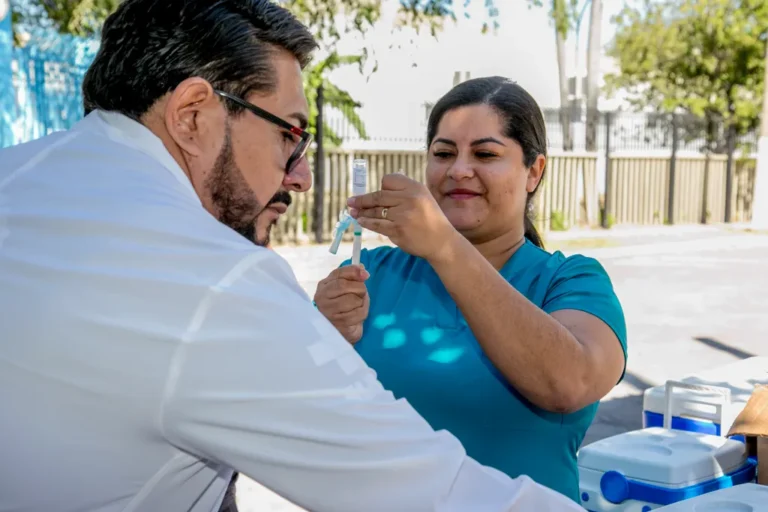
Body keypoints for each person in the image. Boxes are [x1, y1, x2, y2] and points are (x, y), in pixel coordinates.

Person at [0, 1, 586, 511]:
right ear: (192, 114)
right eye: (289, 133)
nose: (301, 175)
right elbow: (428, 492)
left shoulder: (16, 176)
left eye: (486, 154)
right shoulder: (218, 281)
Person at [314, 76, 628, 503]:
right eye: (444, 153)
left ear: (534, 171)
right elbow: (299, 412)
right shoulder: (370, 272)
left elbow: (570, 382)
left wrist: (446, 247)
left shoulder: (569, 281)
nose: (459, 170)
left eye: (485, 154)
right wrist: (318, 334)